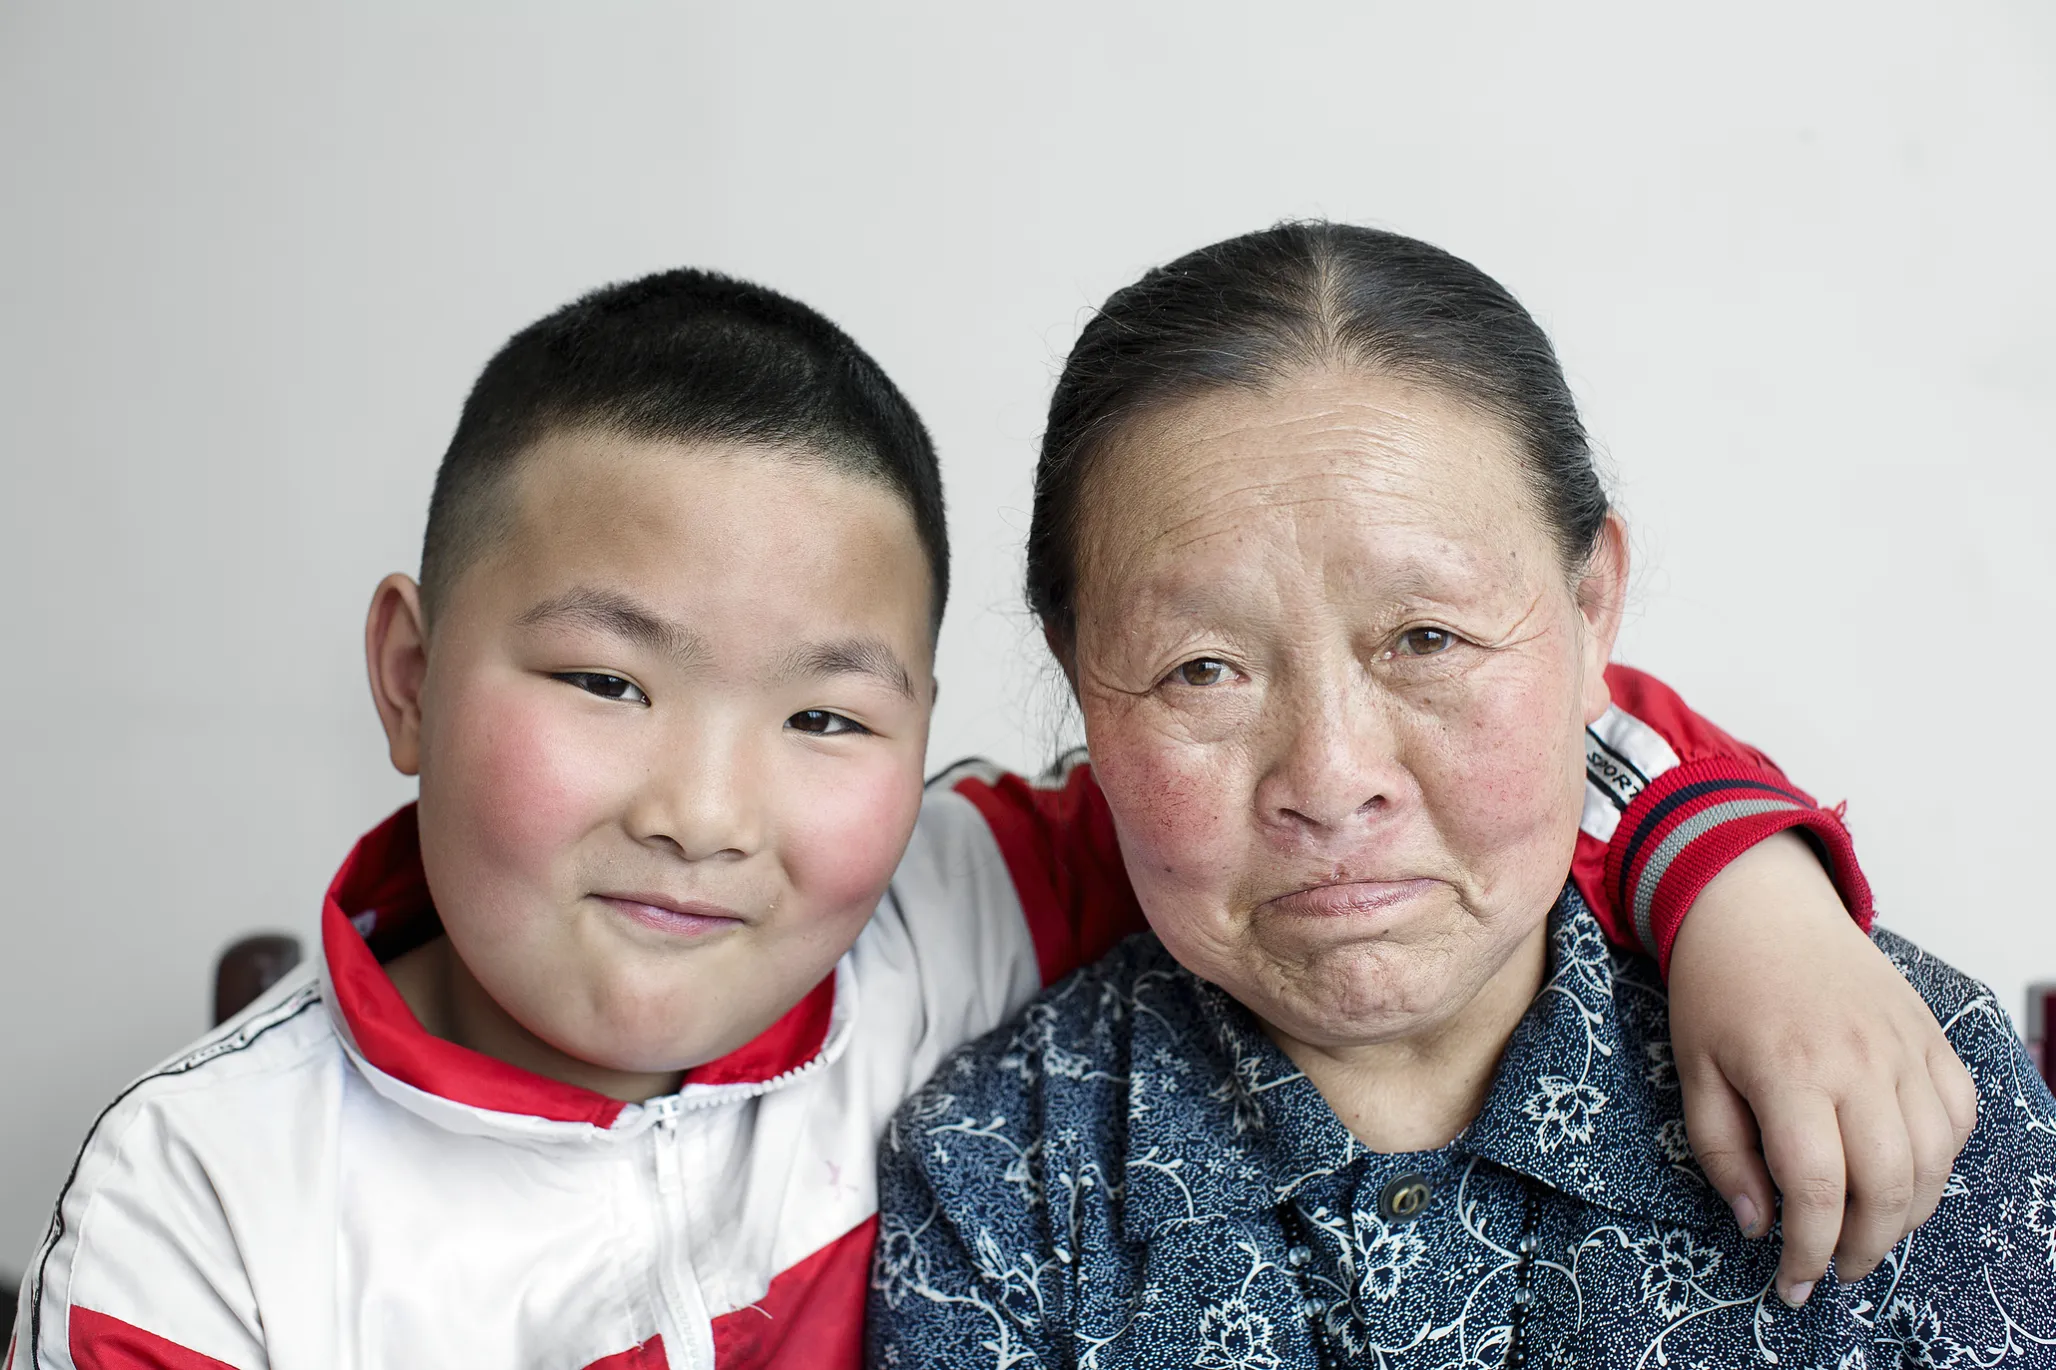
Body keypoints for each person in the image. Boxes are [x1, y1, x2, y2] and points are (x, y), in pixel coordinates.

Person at [12, 266, 1965, 1370]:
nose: (708, 810)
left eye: (824, 714)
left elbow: (1431, 770)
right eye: (605, 683)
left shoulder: (948, 904)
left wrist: (1743, 894)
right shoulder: (202, 1203)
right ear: (403, 680)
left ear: (928, 729)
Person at [869, 223, 2051, 1368]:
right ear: (1078, 674)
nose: (1331, 782)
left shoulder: (1903, 1081)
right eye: (1203, 668)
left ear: (1592, 612)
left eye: (1426, 636)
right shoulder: (994, 1180)